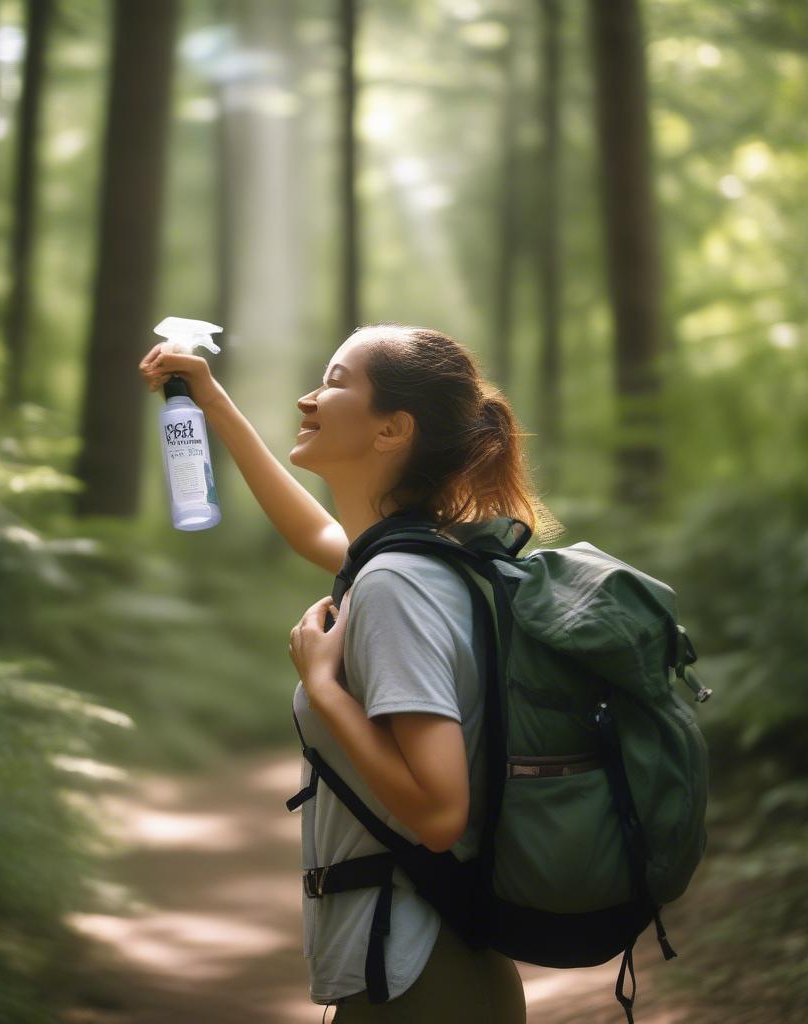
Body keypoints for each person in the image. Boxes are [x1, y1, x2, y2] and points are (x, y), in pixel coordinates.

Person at [139, 323, 544, 1023]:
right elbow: (313, 533)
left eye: (333, 381)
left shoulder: (395, 585)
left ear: (391, 431)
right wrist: (209, 399)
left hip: (421, 975)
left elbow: (440, 813)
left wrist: (326, 691)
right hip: (419, 964)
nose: (307, 397)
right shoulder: (408, 560)